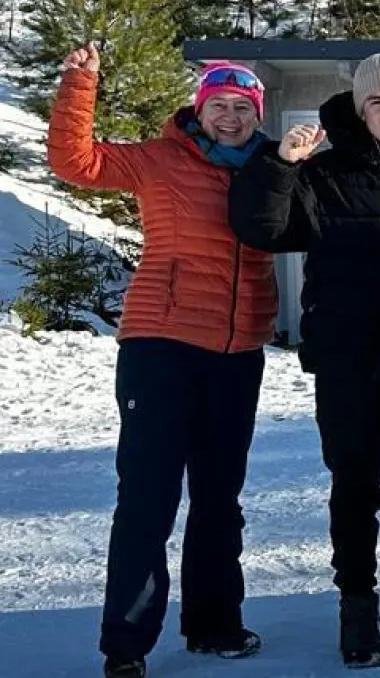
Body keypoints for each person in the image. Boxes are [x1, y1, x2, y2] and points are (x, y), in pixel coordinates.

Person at [229, 53, 380, 667]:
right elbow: (263, 230)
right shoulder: (323, 173)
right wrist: (280, 164)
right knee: (355, 485)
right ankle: (358, 609)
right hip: (349, 359)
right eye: (377, 103)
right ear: (360, 110)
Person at [48, 50, 278, 678]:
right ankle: (126, 643)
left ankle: (213, 624)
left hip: (238, 351)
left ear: (256, 115)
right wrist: (80, 83)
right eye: (218, 106)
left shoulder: (272, 166)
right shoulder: (158, 158)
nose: (229, 118)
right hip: (163, 344)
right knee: (149, 495)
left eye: (242, 108)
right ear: (198, 110)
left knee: (219, 497)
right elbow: (75, 161)